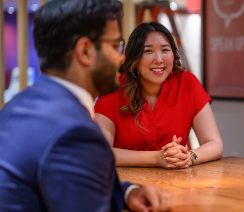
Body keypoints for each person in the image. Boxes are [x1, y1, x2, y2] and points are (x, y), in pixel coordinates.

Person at [0, 0, 173, 211]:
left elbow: (66, 183)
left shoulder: (16, 107)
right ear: (85, 51)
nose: (122, 57)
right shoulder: (75, 133)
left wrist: (127, 192)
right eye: (114, 46)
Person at [95, 22, 223, 169]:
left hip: (175, 185)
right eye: (148, 51)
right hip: (126, 186)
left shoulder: (188, 83)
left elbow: (215, 144)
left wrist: (187, 157)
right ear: (134, 58)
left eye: (165, 50)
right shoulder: (113, 87)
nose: (159, 60)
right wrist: (156, 158)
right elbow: (99, 152)